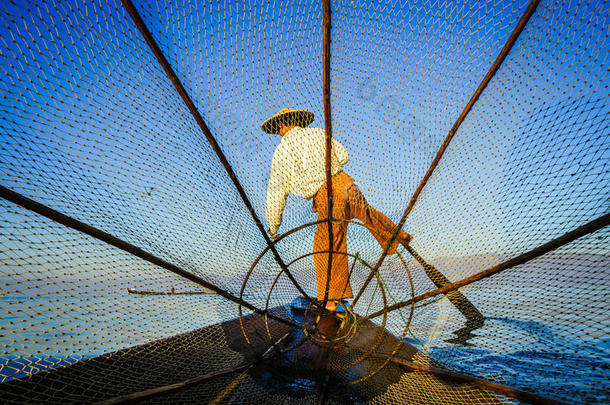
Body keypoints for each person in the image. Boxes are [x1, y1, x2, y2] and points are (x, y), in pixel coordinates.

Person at [262, 108, 412, 312]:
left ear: (281, 125)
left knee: (327, 246)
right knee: (366, 213)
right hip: (347, 184)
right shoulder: (317, 133)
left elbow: (277, 191)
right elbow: (343, 156)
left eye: (277, 129)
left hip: (328, 195)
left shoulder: (283, 149)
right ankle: (397, 235)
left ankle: (331, 302)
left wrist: (273, 225)